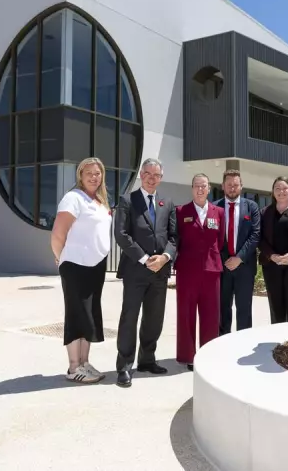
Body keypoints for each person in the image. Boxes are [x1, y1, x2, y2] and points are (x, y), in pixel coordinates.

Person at [113, 158, 177, 388]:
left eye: (156, 175)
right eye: (148, 173)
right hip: (135, 271)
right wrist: (143, 258)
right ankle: (124, 366)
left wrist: (164, 257)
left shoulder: (167, 203)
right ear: (141, 174)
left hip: (160, 272)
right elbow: (121, 234)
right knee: (129, 318)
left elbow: (174, 237)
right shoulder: (127, 200)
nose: (152, 178)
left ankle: (147, 360)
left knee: (154, 318)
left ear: (161, 177)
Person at [50, 157, 112, 384]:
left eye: (98, 173)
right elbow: (58, 234)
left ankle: (85, 363)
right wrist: (61, 259)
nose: (94, 177)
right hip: (75, 266)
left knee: (89, 316)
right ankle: (74, 367)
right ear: (80, 175)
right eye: (89, 173)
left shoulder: (100, 201)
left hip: (96, 267)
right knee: (76, 315)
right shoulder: (73, 198)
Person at [174, 173, 225, 370]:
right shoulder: (180, 211)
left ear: (209, 188)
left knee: (211, 315)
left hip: (211, 270)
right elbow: (177, 239)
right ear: (192, 188)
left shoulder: (218, 212)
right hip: (187, 271)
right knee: (185, 314)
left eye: (204, 186)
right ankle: (187, 355)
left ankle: (207, 353)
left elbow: (219, 240)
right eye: (197, 185)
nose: (200, 189)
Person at [215, 169, 261, 335]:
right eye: (229, 185)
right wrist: (224, 260)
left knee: (244, 310)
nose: (232, 188)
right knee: (223, 309)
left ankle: (242, 343)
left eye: (235, 185)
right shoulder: (214, 207)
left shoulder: (252, 207)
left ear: (241, 186)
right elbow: (212, 238)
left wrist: (239, 258)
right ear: (223, 186)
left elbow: (255, 235)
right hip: (222, 267)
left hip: (245, 268)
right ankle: (223, 342)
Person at [258, 176, 288, 323]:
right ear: (273, 192)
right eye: (277, 188)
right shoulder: (265, 212)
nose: (281, 191)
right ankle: (277, 342)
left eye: (284, 188)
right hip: (272, 266)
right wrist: (272, 255)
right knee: (276, 307)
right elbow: (260, 238)